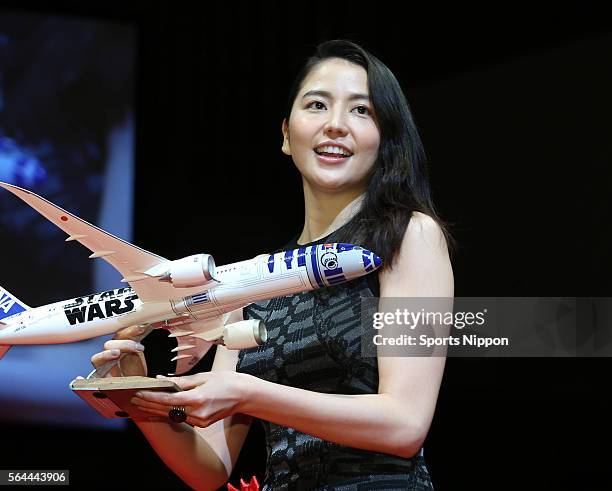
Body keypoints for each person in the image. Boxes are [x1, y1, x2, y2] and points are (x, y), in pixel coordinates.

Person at [91, 39, 454, 490]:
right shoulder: (252, 279)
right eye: (317, 105)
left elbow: (404, 424)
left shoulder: (408, 237)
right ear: (286, 134)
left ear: (386, 137)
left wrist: (250, 393)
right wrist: (139, 399)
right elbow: (209, 469)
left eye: (362, 110)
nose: (336, 125)